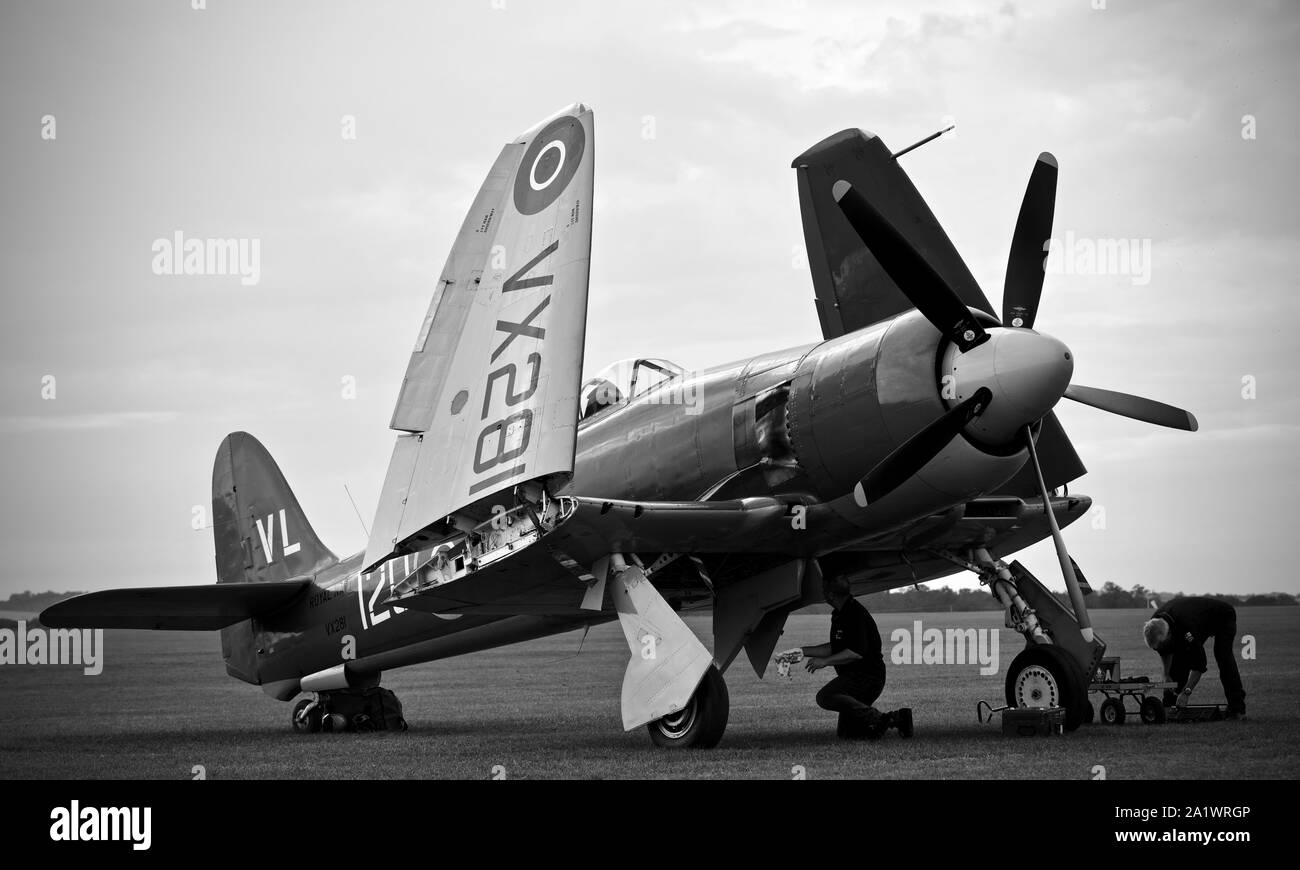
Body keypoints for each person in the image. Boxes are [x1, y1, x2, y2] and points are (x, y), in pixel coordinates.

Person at [801, 575, 912, 739]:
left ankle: (881, 719)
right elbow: (836, 647)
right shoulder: (841, 613)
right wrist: (801, 651)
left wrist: (825, 662)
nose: (822, 594)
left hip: (867, 678)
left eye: (824, 590)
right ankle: (900, 718)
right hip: (856, 678)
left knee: (825, 696)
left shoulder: (855, 614)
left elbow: (855, 652)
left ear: (831, 595)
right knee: (848, 734)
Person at [1142, 596, 1246, 718]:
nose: (1160, 648)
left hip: (1222, 616)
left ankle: (1237, 709)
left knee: (1223, 657)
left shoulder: (1186, 627)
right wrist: (1166, 675)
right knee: (1178, 661)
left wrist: (1186, 692)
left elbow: (1200, 664)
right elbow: (1164, 651)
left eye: (1163, 644)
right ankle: (1169, 706)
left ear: (1169, 633)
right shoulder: (1154, 624)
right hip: (1195, 618)